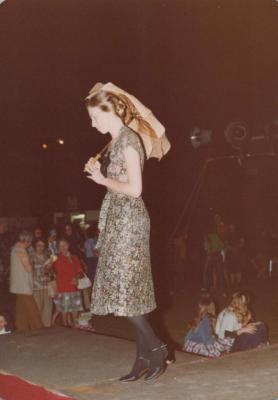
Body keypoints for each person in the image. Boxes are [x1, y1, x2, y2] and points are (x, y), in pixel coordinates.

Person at [84, 86, 168, 382]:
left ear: (113, 111)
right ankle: (143, 357)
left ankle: (157, 348)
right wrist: (101, 176)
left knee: (125, 293)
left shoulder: (129, 141)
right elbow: (119, 184)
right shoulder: (114, 142)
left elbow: (135, 189)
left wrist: (102, 179)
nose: (93, 123)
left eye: (95, 116)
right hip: (118, 218)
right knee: (125, 293)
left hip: (129, 220)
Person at [9, 231, 43, 331]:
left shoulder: (14, 249)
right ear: (27, 241)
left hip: (17, 286)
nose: (30, 244)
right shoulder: (21, 251)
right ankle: (39, 330)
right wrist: (31, 262)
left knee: (21, 311)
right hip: (24, 285)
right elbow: (28, 269)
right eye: (30, 242)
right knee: (33, 310)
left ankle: (22, 329)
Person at [54, 239, 83, 327]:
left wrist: (77, 278)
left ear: (68, 245)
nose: (63, 248)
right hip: (63, 286)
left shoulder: (74, 257)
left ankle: (75, 322)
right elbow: (59, 271)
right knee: (65, 308)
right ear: (58, 248)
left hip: (74, 286)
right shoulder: (57, 258)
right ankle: (65, 324)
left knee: (75, 306)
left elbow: (79, 271)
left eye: (64, 245)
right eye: (60, 246)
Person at [31, 239, 53, 327]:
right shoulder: (31, 256)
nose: (40, 247)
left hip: (47, 285)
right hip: (36, 286)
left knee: (47, 308)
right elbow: (30, 271)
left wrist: (50, 269)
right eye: (38, 245)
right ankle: (37, 327)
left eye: (43, 245)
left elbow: (51, 272)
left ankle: (47, 326)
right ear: (34, 246)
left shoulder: (47, 256)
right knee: (37, 307)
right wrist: (44, 268)